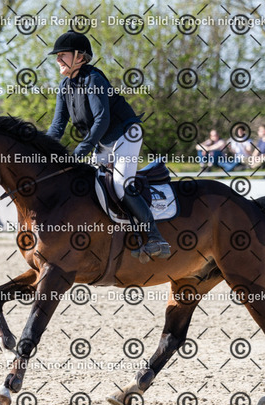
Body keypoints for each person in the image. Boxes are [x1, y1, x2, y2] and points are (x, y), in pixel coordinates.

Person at [46, 30, 170, 259]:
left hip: (126, 134)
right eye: (57, 56)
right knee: (90, 183)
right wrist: (41, 149)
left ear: (80, 57)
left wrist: (80, 151)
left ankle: (155, 236)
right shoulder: (64, 86)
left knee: (121, 184)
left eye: (62, 55)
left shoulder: (94, 79)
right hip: (104, 140)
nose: (58, 59)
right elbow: (57, 126)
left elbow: (102, 119)